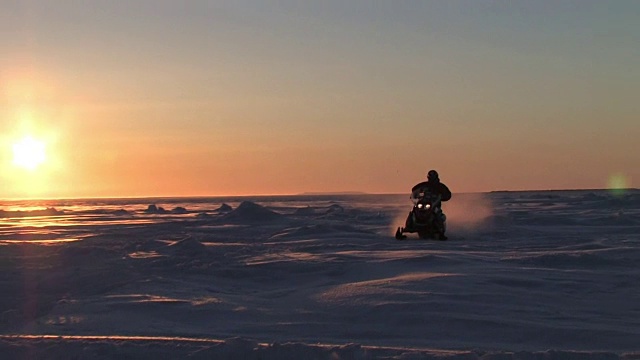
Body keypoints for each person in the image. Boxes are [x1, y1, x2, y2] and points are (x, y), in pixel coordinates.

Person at [405, 170, 452, 239]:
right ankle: (409, 225)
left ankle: (439, 228)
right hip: (423, 202)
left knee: (437, 212)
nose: (432, 179)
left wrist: (443, 196)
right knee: (414, 210)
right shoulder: (424, 185)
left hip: (434, 204)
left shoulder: (440, 186)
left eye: (433, 177)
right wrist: (415, 194)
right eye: (430, 177)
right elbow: (415, 189)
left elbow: (448, 194)